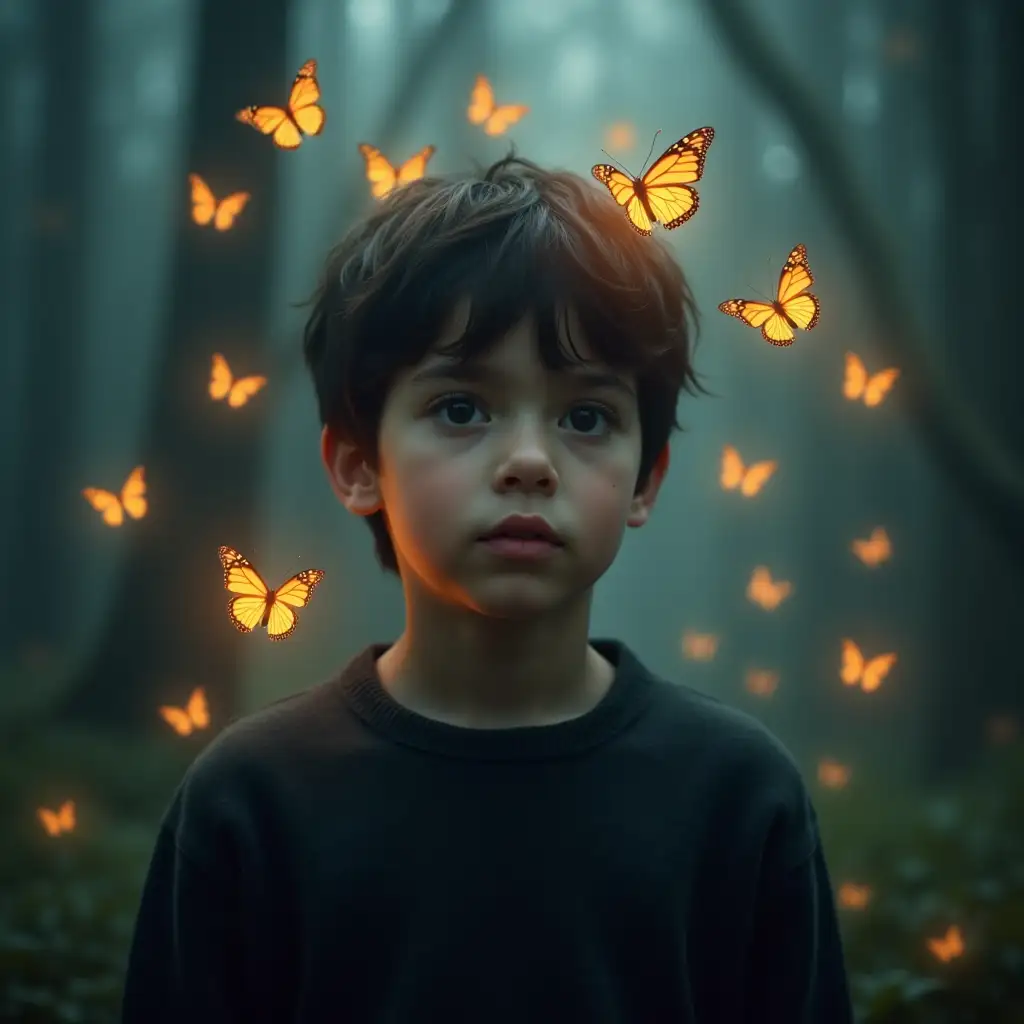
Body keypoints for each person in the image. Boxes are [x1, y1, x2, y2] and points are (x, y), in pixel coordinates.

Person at [120, 154, 854, 1023]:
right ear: (359, 464)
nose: (530, 463)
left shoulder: (739, 795)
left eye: (587, 417)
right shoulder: (250, 801)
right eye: (462, 408)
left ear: (645, 480)